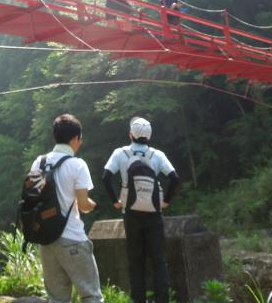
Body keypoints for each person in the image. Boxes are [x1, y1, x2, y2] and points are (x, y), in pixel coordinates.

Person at [102, 117, 179, 303]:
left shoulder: (120, 153)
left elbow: (105, 177)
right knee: (159, 261)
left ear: (130, 134)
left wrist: (115, 201)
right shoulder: (157, 155)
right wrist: (166, 201)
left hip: (130, 213)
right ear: (150, 135)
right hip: (154, 212)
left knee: (136, 262)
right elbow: (174, 178)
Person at [29, 114, 103, 303]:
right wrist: (92, 205)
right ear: (74, 138)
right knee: (90, 295)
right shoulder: (77, 165)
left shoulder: (39, 162)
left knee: (57, 299)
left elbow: (35, 198)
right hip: (72, 239)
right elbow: (84, 205)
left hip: (47, 240)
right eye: (80, 138)